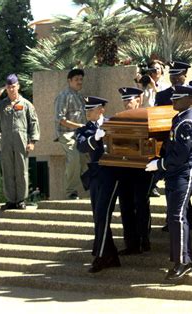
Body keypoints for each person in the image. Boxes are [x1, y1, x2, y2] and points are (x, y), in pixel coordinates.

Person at [145, 85, 192, 281]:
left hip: (183, 173)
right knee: (177, 216)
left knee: (177, 217)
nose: (173, 101)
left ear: (190, 99)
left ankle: (182, 262)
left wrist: (159, 164)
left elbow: (180, 155)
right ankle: (185, 259)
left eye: (177, 98)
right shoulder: (180, 118)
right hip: (175, 173)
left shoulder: (188, 122)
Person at [75, 96, 121, 273]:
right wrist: (95, 138)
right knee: (98, 216)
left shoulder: (112, 123)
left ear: (101, 109)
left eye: (90, 109)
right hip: (95, 175)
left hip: (111, 174)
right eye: (86, 109)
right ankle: (111, 255)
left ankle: (101, 255)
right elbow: (81, 146)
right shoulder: (85, 129)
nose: (87, 112)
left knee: (102, 214)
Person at [155, 61, 192, 232]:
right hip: (170, 145)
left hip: (190, 145)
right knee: (174, 187)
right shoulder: (162, 96)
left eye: (178, 74)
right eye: (172, 75)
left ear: (185, 75)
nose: (175, 78)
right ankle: (182, 217)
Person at [0, 74, 40, 210]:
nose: (11, 89)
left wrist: (32, 141)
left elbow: (34, 123)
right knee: (8, 169)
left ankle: (21, 199)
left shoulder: (26, 104)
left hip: (21, 140)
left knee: (21, 170)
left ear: (18, 86)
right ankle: (10, 200)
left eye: (13, 87)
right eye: (9, 87)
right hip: (6, 140)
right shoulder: (2, 104)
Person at [116, 87, 154, 255]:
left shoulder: (147, 116)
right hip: (124, 169)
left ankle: (143, 239)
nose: (126, 103)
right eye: (124, 100)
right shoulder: (118, 118)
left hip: (142, 168)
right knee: (125, 205)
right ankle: (131, 242)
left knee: (141, 203)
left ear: (138, 100)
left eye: (129, 100)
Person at [54, 69, 88, 200]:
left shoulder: (80, 96)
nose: (79, 82)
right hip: (66, 134)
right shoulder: (63, 96)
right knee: (73, 157)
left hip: (80, 134)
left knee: (87, 158)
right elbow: (60, 119)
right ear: (69, 81)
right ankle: (71, 192)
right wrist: (78, 126)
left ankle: (91, 187)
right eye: (76, 80)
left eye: (81, 79)